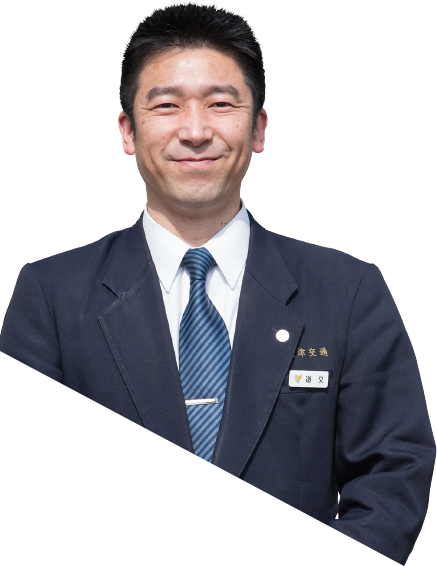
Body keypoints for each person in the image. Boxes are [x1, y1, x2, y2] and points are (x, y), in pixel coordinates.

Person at [0, 3, 435, 564]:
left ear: (258, 129)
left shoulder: (348, 291)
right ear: (128, 131)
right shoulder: (50, 295)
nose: (195, 131)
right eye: (167, 105)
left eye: (221, 104)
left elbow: (393, 472)